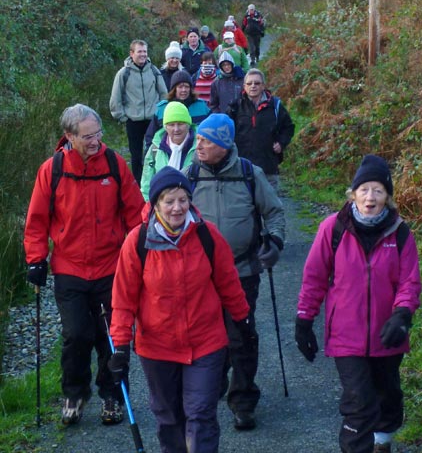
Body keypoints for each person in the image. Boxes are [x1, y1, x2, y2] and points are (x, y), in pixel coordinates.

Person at [108, 167, 253, 453]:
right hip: (157, 347)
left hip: (205, 342)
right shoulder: (137, 242)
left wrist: (243, 321)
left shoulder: (206, 236)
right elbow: (123, 300)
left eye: (183, 200)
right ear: (155, 204)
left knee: (200, 415)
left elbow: (229, 284)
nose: (177, 208)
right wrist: (121, 347)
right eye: (169, 201)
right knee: (169, 418)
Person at [24, 104, 144, 426]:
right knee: (76, 334)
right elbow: (37, 221)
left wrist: (143, 250)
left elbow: (136, 213)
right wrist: (36, 259)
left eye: (98, 134)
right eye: (88, 136)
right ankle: (74, 395)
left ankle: (113, 397)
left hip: (111, 267)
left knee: (112, 336)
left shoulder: (115, 165)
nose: (96, 141)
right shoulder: (52, 170)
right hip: (70, 268)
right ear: (69, 136)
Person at [295, 154, 422, 453]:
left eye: (378, 191)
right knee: (359, 401)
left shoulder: (400, 233)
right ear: (353, 193)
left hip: (387, 334)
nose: (370, 197)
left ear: (387, 197)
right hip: (346, 336)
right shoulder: (333, 229)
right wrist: (304, 320)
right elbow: (314, 277)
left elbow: (410, 282)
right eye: (364, 190)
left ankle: (383, 441)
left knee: (387, 395)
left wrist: (402, 314)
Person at [183, 114, 285, 431]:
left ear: (224, 145)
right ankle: (214, 383)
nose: (198, 144)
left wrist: (275, 240)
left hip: (242, 271)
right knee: (206, 335)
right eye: (198, 138)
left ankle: (243, 401)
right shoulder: (190, 176)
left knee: (241, 335)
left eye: (206, 140)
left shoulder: (249, 174)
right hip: (201, 275)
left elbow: (274, 211)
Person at [109, 39, 167, 184]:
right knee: (136, 155)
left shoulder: (154, 70)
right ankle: (138, 182)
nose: (143, 55)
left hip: (152, 119)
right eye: (139, 51)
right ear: (132, 53)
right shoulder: (124, 73)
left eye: (145, 51)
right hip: (133, 120)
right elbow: (116, 96)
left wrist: (160, 112)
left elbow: (163, 93)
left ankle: (155, 179)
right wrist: (121, 116)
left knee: (154, 150)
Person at [227, 68, 295, 191]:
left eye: (257, 83)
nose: (253, 86)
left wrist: (281, 142)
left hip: (268, 166)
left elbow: (288, 127)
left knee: (269, 207)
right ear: (244, 86)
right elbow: (225, 132)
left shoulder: (275, 106)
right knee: (245, 206)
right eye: (249, 83)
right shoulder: (235, 107)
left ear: (263, 86)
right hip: (242, 167)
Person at [141, 102, 196, 200]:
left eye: (180, 124)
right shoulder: (155, 148)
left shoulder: (199, 146)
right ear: (165, 127)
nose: (176, 129)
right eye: (171, 125)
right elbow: (146, 182)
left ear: (188, 124)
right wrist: (149, 205)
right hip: (162, 205)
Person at [144, 70, 210, 151]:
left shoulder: (201, 106)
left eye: (187, 87)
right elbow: (151, 135)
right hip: (168, 151)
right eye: (180, 87)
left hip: (196, 151)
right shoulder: (162, 109)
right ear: (174, 89)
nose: (184, 90)